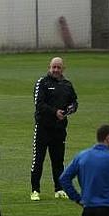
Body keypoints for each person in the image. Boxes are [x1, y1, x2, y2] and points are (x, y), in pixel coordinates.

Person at [30, 57, 78, 201]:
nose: (56, 70)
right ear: (49, 67)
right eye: (53, 67)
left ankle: (59, 189)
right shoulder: (42, 83)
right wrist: (55, 112)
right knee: (38, 159)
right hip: (43, 128)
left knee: (58, 160)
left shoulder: (67, 85)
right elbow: (39, 104)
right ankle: (35, 190)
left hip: (59, 129)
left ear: (63, 69)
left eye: (58, 67)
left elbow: (74, 102)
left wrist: (70, 110)